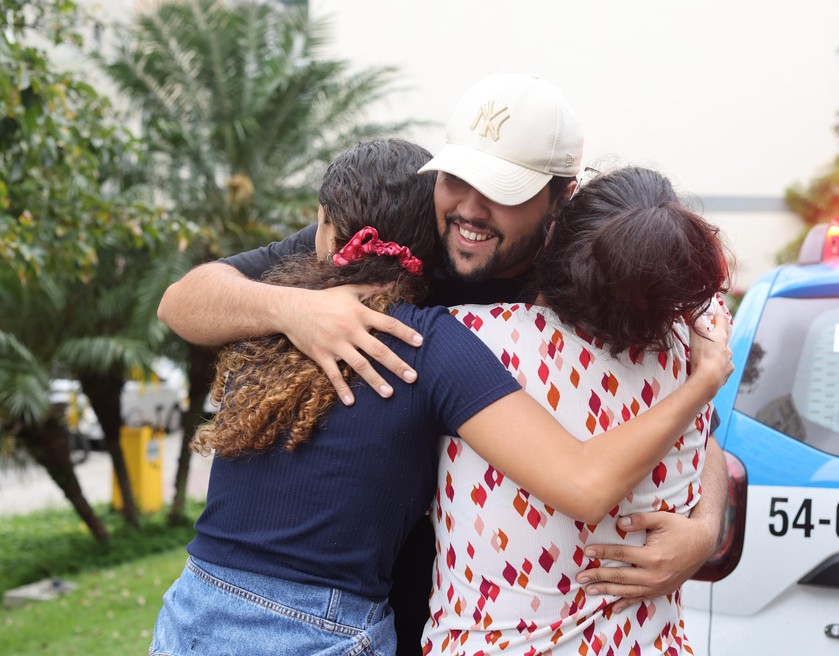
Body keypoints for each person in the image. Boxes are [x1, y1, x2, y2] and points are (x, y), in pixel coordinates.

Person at [157, 73, 730, 654]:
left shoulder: (584, 279)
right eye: (455, 179)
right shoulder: (395, 239)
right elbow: (183, 301)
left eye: (503, 191)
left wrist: (703, 530)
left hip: (480, 623)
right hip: (366, 611)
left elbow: (683, 418)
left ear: (563, 195)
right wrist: (293, 308)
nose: (470, 211)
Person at [424, 165, 728, 655]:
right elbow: (707, 437)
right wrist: (706, 528)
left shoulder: (469, 338)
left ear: (553, 238)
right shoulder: (700, 345)